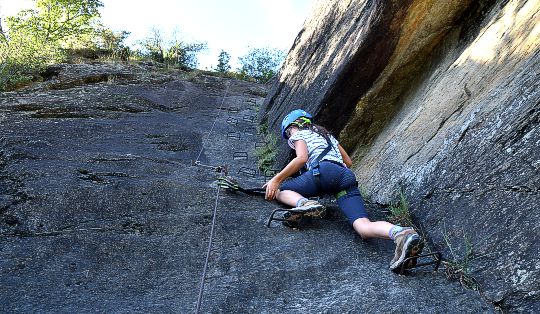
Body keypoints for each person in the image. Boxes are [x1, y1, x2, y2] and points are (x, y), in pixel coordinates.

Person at [263, 109, 423, 272]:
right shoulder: (327, 136)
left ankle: (305, 203)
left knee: (279, 191)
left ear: (294, 126)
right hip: (345, 177)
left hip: (323, 173)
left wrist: (276, 180)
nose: (290, 137)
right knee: (363, 227)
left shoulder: (298, 135)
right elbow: (348, 161)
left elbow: (301, 158)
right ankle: (401, 233)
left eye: (289, 132)